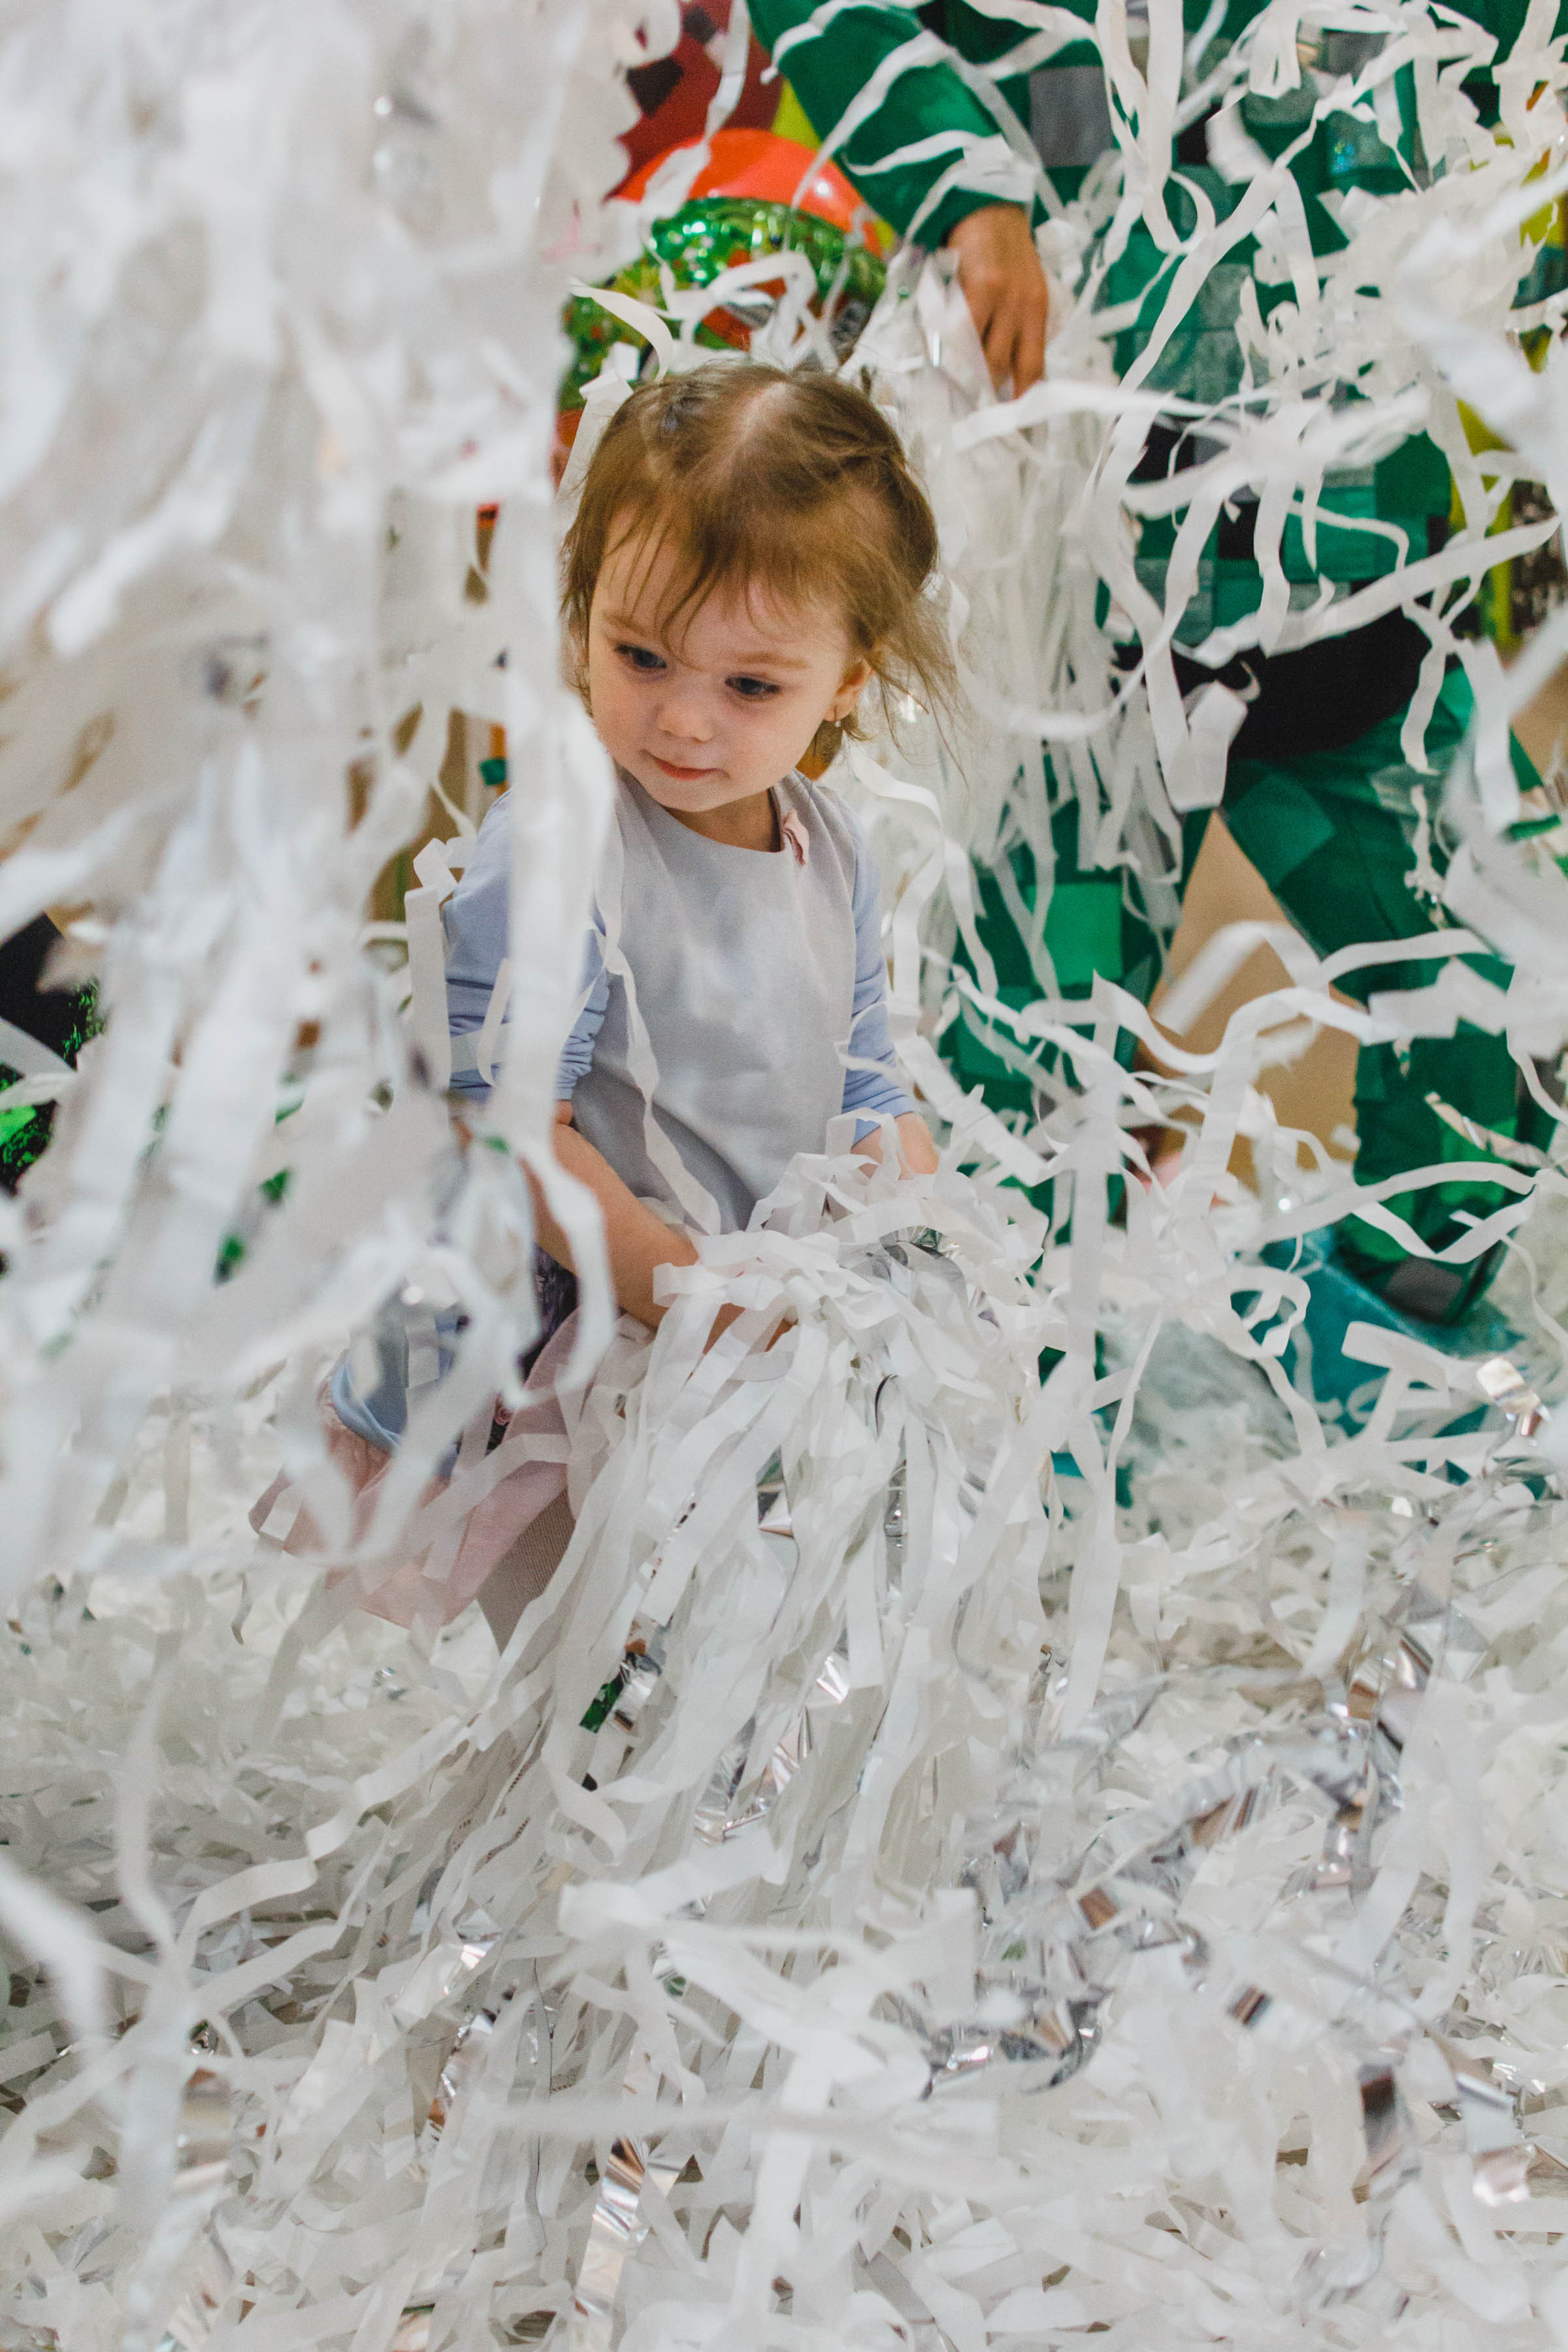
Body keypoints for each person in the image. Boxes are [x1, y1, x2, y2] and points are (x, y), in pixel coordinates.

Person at [746, 0, 1563, 1372]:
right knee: (1030, 1059)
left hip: (1360, 609)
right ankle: (1021, 1408)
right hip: (1086, 624)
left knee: (1503, 989)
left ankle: (1394, 1342)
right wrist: (967, 183)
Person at [313, 363, 947, 1637]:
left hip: (738, 1351)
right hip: (562, 1365)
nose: (684, 721)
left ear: (848, 681)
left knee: (734, 1672)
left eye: (751, 685)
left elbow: (860, 1068)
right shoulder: (562, 851)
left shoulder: (831, 846)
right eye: (640, 655)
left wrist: (904, 1201)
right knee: (596, 1685)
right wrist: (685, 1291)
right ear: (578, 614)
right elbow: (504, 1139)